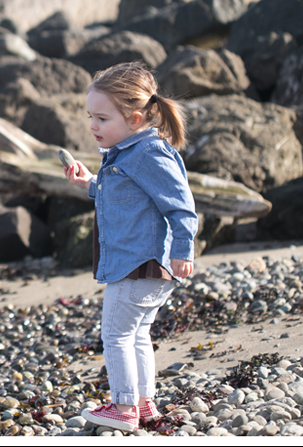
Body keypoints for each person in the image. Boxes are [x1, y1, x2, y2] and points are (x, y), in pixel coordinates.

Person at [64, 62, 198, 433]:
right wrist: (89, 183)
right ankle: (143, 403)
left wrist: (183, 249)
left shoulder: (147, 154)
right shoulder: (126, 152)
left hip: (139, 265)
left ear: (135, 118)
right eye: (91, 117)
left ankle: (123, 407)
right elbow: (123, 196)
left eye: (102, 118)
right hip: (142, 265)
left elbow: (181, 205)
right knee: (137, 334)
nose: (93, 126)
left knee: (116, 335)